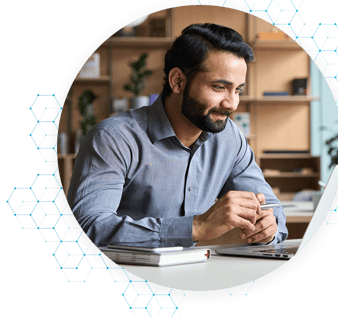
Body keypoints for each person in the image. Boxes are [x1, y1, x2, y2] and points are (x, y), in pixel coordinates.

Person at [67, 23, 288, 248]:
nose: (232, 103)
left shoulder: (230, 138)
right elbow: (86, 226)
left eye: (237, 90)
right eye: (219, 87)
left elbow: (272, 210)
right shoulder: (113, 138)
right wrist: (196, 228)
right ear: (178, 81)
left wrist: (268, 228)